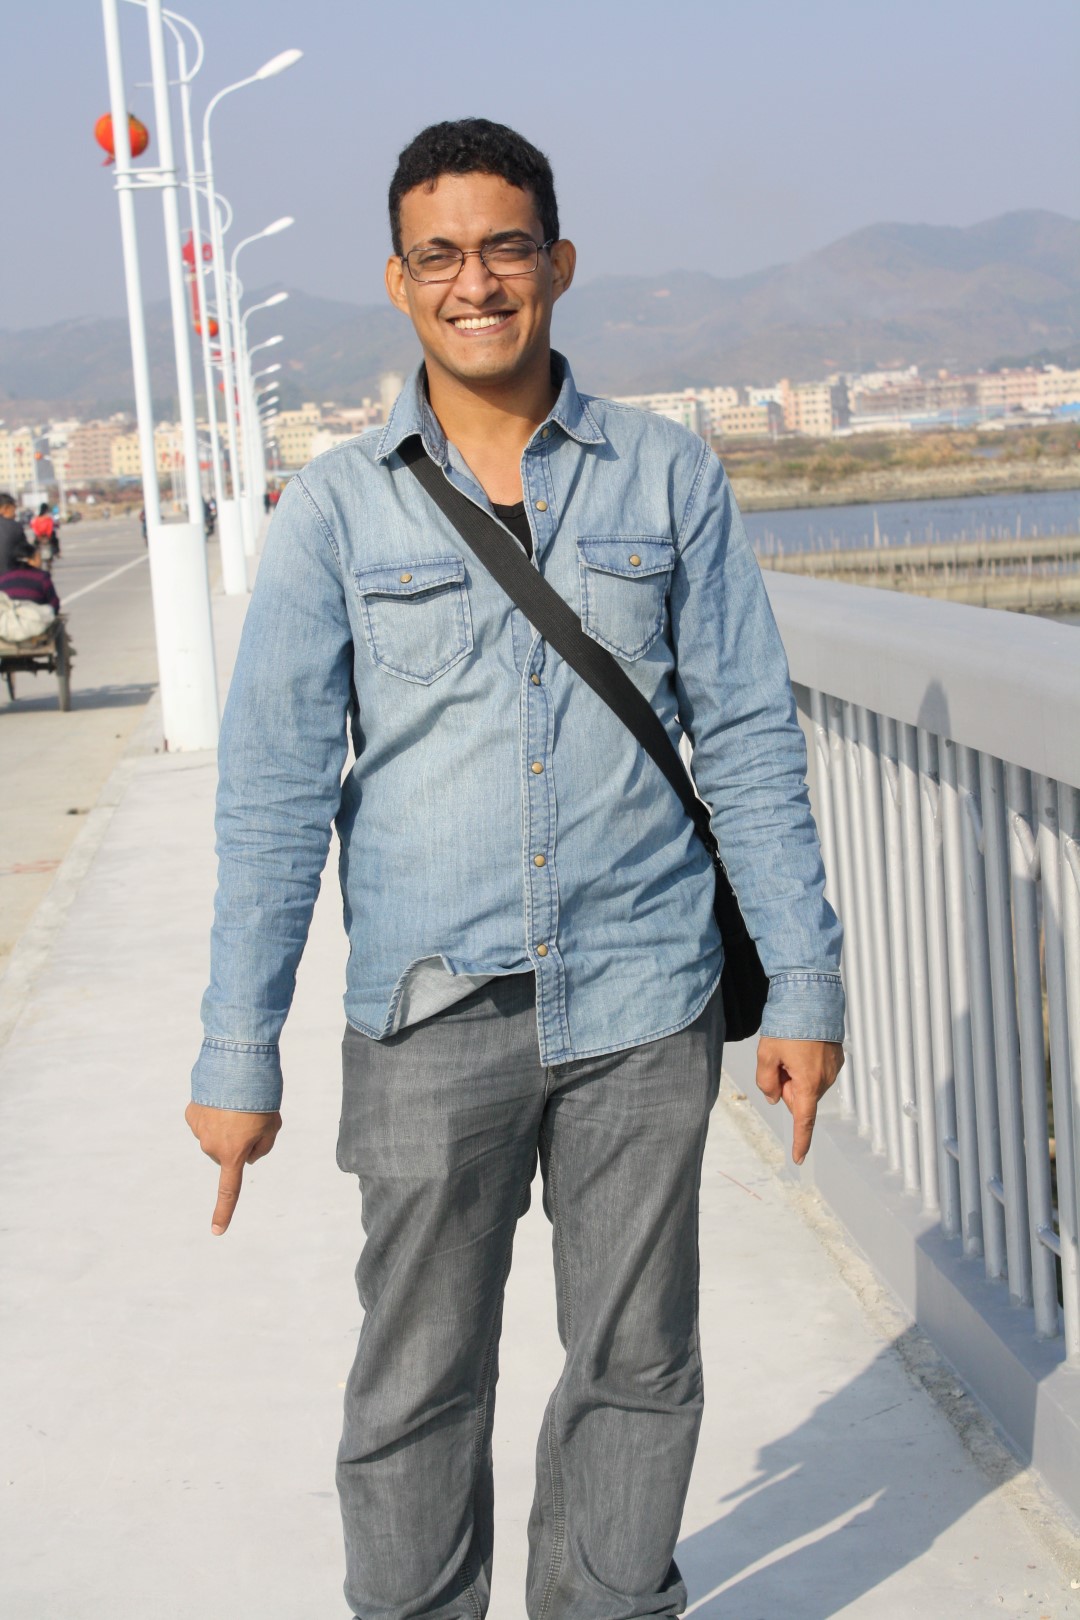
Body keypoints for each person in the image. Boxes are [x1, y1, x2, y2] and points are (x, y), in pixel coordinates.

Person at [186, 118, 845, 1620]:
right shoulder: (335, 507)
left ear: (558, 262)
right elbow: (275, 796)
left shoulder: (668, 476)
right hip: (429, 1012)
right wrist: (238, 1052)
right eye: (439, 255)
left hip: (645, 998)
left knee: (638, 1365)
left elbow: (748, 738)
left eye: (504, 248)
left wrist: (804, 985)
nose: (473, 282)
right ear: (398, 280)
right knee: (416, 1379)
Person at [0, 492, 27, 573]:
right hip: (8, 576)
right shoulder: (14, 526)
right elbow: (26, 552)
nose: (15, 515)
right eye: (13, 510)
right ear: (6, 508)